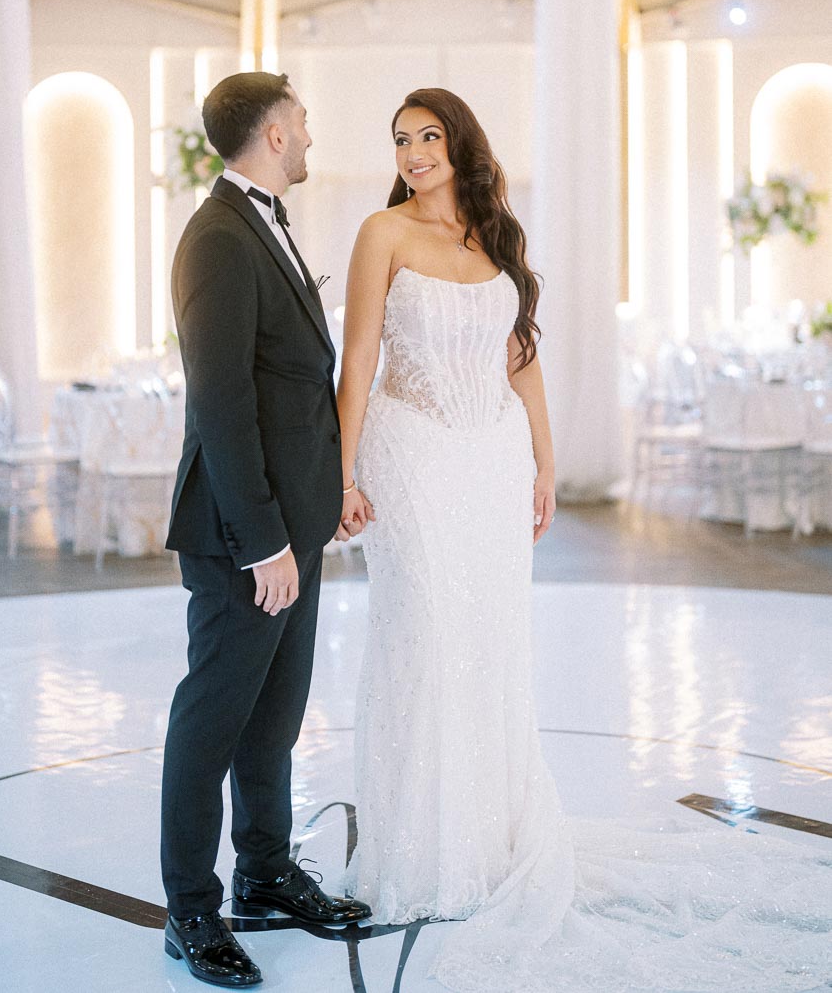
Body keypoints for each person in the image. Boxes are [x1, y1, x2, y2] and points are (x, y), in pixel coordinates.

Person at [334, 86, 832, 992]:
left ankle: (486, 840)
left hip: (490, 459)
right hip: (408, 453)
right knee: (425, 636)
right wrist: (344, 472)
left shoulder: (494, 237)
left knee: (489, 647)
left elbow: (521, 361)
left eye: (429, 136)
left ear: (461, 143)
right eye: (402, 140)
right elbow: (359, 356)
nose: (413, 153)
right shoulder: (383, 233)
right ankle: (418, 851)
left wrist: (545, 466)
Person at [160, 71, 370, 990]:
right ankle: (191, 913)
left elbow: (292, 385)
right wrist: (263, 543)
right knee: (211, 720)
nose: (313, 134)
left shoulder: (267, 222)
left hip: (297, 522)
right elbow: (221, 399)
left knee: (275, 716)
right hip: (246, 534)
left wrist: (327, 498)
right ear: (275, 134)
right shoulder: (215, 237)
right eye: (305, 122)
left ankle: (265, 872)